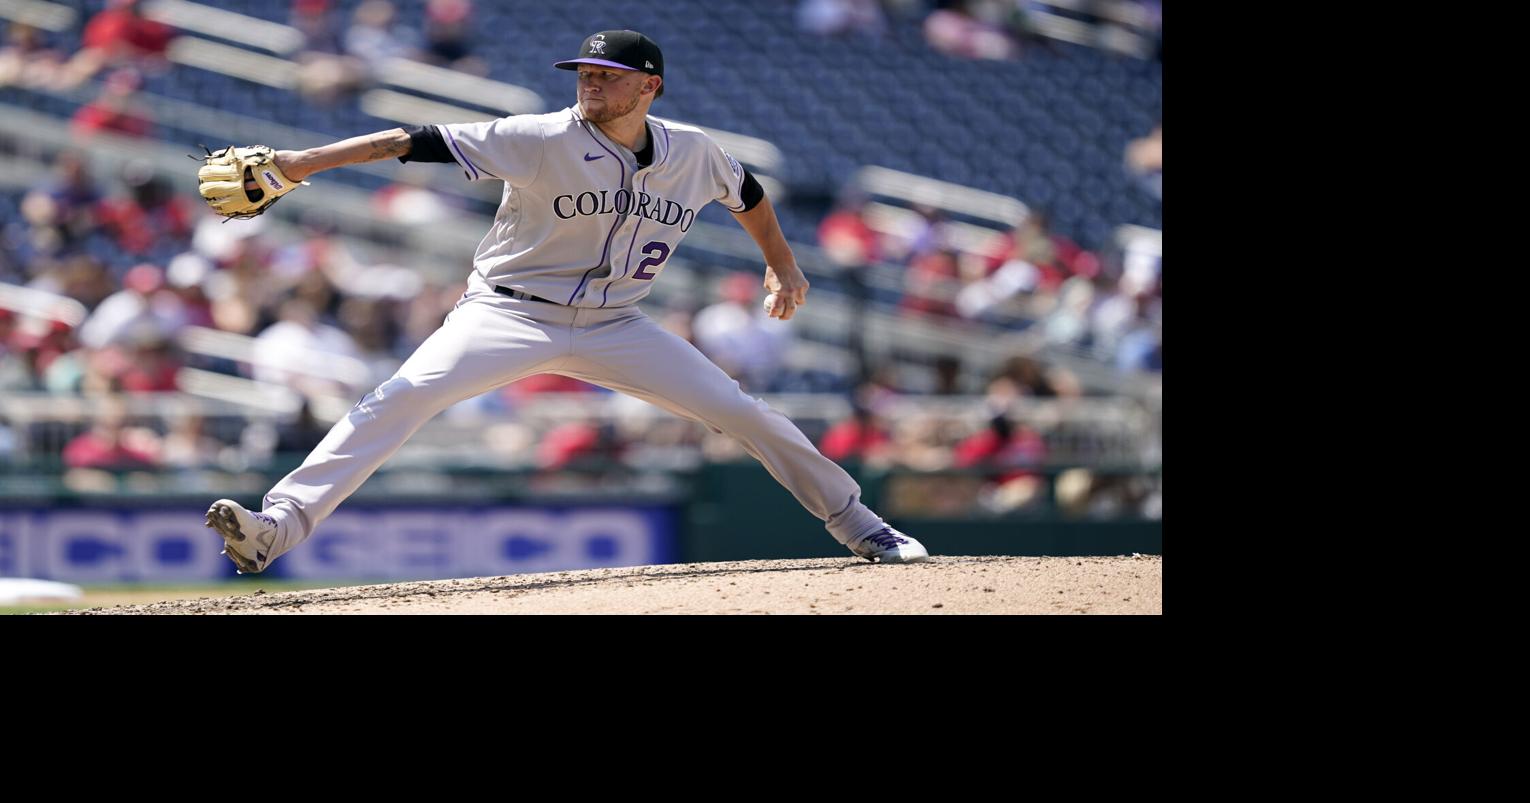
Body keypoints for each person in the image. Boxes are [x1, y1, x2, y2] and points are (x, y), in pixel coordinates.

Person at [204, 30, 929, 573]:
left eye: (607, 75)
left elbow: (751, 198)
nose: (589, 82)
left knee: (741, 411)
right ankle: (278, 525)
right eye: (584, 71)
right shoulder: (540, 136)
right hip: (508, 312)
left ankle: (864, 527)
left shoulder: (695, 151)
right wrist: (299, 164)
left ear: (650, 87)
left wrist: (782, 266)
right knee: (398, 398)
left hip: (618, 322)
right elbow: (407, 140)